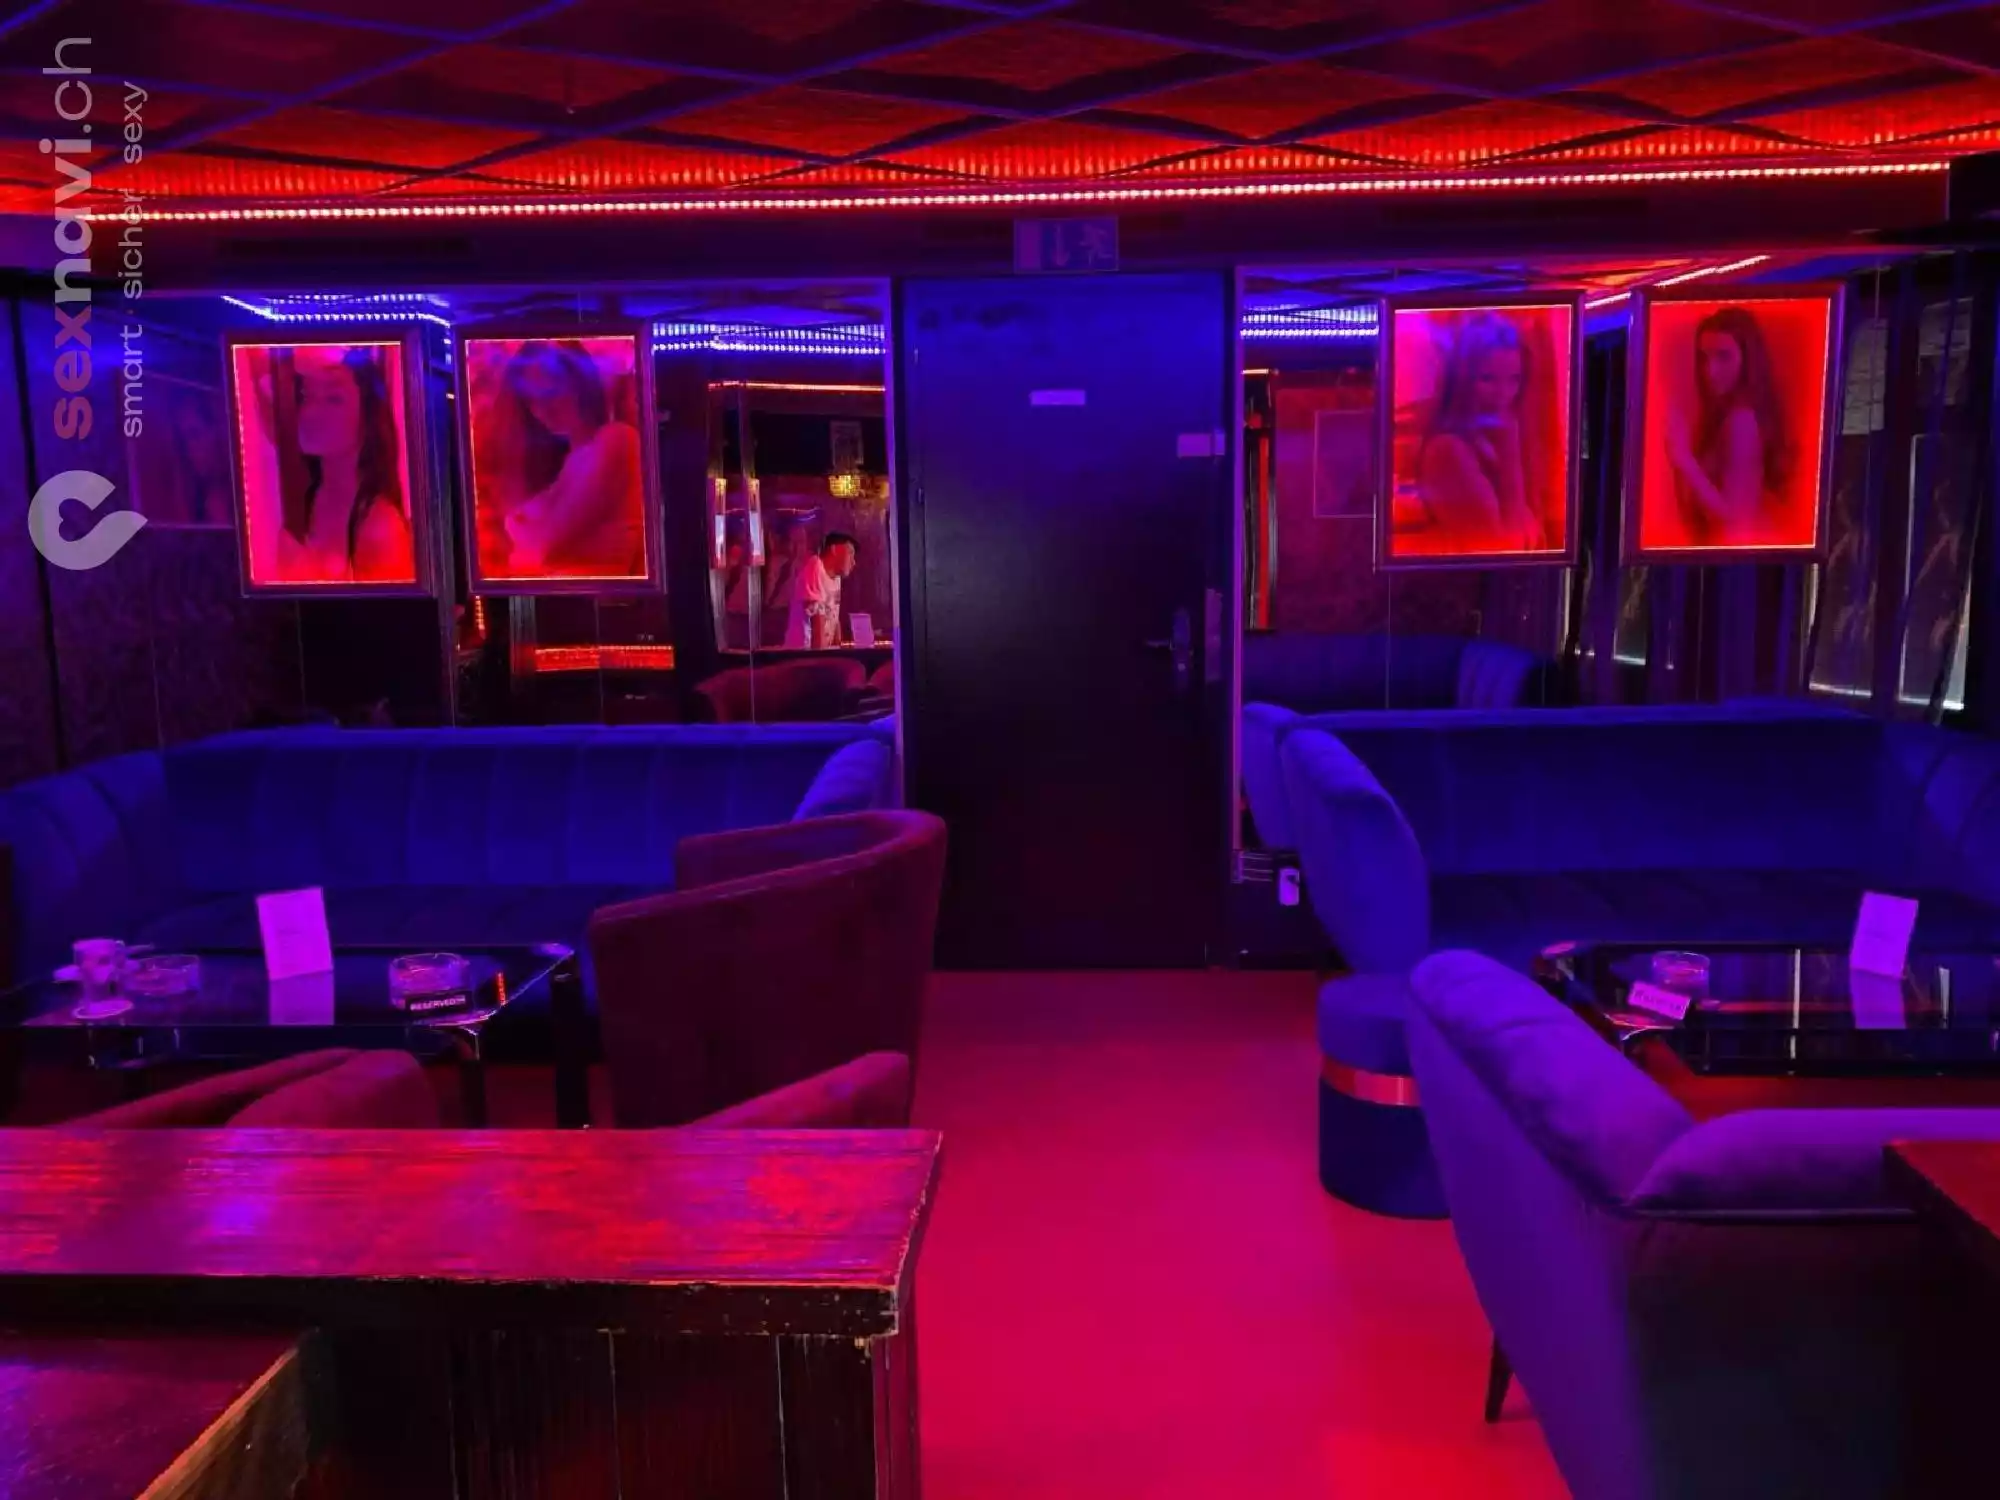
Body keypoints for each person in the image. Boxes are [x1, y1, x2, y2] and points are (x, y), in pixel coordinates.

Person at [260, 346, 413, 584]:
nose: (311, 412)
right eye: (307, 395)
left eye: (333, 398)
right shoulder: (305, 498)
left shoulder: (379, 526)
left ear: (368, 416)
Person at [494, 340, 643, 576]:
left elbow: (541, 547)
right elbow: (513, 526)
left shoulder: (616, 439)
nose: (542, 409)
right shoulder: (571, 461)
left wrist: (530, 540)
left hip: (608, 595)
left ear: (580, 383)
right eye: (531, 400)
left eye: (551, 389)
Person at [1664, 306, 1792, 547]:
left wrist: (1684, 460)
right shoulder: (1726, 415)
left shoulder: (1742, 420)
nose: (1710, 370)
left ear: (1748, 359)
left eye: (1723, 356)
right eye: (1704, 357)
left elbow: (1736, 523)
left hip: (1741, 563)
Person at [1416, 312, 1542, 552]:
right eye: (1487, 379)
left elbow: (1530, 535)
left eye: (1514, 379)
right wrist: (1510, 450)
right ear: (1461, 379)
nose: (1503, 394)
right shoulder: (1447, 451)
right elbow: (1501, 548)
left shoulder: (1487, 438)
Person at [785, 532, 858, 650]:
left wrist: (838, 649)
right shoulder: (815, 566)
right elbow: (817, 624)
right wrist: (822, 658)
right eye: (850, 553)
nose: (853, 562)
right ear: (834, 549)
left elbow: (834, 617)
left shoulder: (836, 577)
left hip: (822, 652)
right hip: (804, 654)